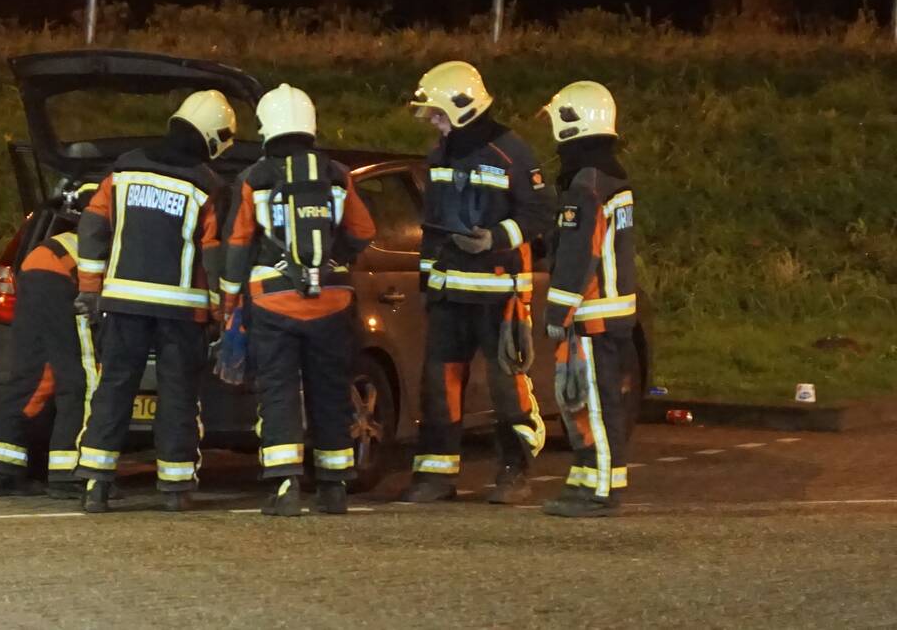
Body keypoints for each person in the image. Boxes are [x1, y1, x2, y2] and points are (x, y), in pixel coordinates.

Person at [401, 61, 556, 505]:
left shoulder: (512, 153)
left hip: (500, 291)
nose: (432, 120)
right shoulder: (439, 155)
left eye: (436, 112)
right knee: (439, 385)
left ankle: (514, 470)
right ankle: (435, 474)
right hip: (451, 293)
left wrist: (497, 236)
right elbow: (433, 225)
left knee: (507, 387)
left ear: (462, 107)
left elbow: (539, 211)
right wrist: (429, 283)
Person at [73, 90, 235, 513]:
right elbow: (213, 254)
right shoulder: (206, 184)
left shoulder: (124, 168)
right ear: (212, 138)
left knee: (113, 388)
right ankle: (175, 487)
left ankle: (95, 482)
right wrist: (221, 311)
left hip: (123, 302)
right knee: (179, 394)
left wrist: (90, 289)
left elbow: (92, 227)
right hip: (181, 311)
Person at [220, 83, 376, 516]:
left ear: (267, 125)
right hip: (332, 301)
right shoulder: (337, 174)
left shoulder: (254, 177)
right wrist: (333, 260)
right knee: (330, 388)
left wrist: (230, 300)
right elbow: (364, 232)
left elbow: (237, 242)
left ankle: (285, 486)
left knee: (279, 391)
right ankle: (334, 485)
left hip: (273, 301)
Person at [538, 81, 638, 518]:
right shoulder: (609, 177)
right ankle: (588, 478)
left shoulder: (585, 185)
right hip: (611, 312)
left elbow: (579, 254)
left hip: (593, 315)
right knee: (595, 402)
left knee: (594, 404)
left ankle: (597, 489)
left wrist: (558, 310)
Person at [0, 186, 98, 499]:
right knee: (79, 379)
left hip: (32, 270)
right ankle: (68, 473)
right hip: (61, 281)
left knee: (34, 376)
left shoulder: (62, 238)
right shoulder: (115, 239)